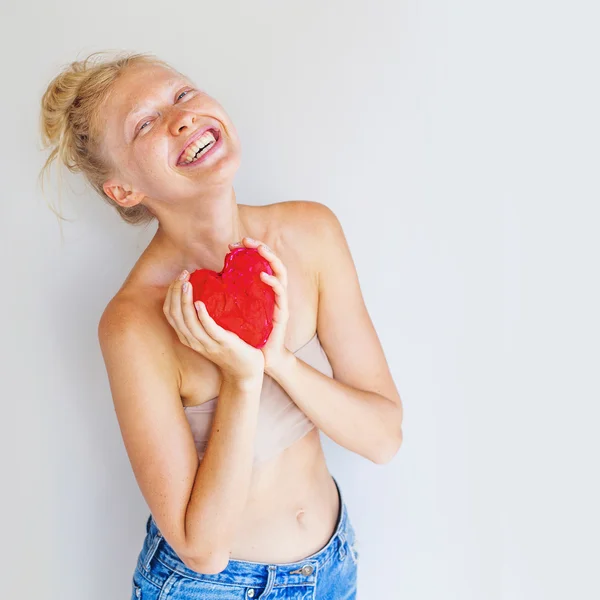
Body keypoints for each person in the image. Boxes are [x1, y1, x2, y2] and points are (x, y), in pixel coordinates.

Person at [38, 50, 403, 599]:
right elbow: (201, 549)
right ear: (124, 191)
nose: (179, 117)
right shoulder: (133, 323)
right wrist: (242, 380)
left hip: (334, 568)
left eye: (182, 95)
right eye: (144, 124)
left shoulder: (312, 232)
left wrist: (278, 359)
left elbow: (383, 438)